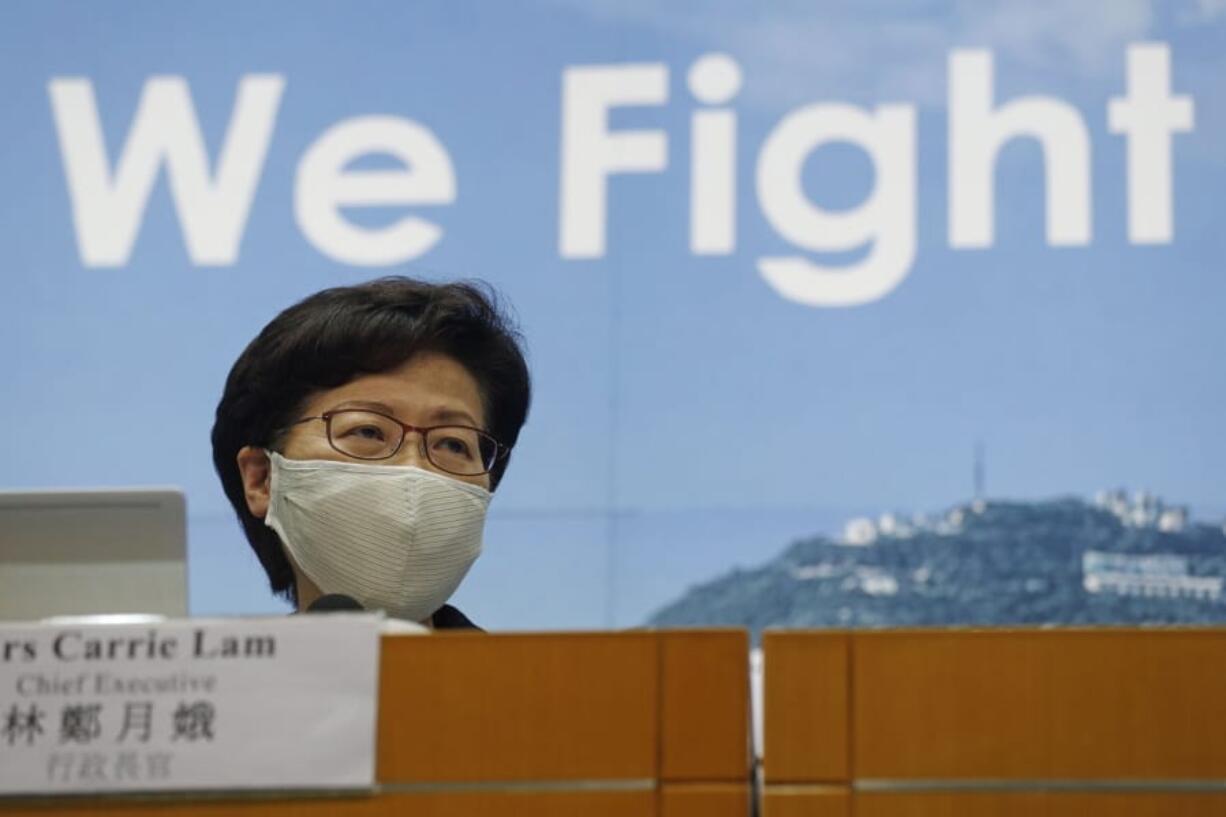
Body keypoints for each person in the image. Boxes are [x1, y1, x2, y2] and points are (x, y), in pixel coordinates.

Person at [210, 277, 531, 629]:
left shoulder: (548, 684)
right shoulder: (210, 683)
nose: (414, 471)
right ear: (262, 479)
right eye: (368, 431)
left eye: (452, 443)